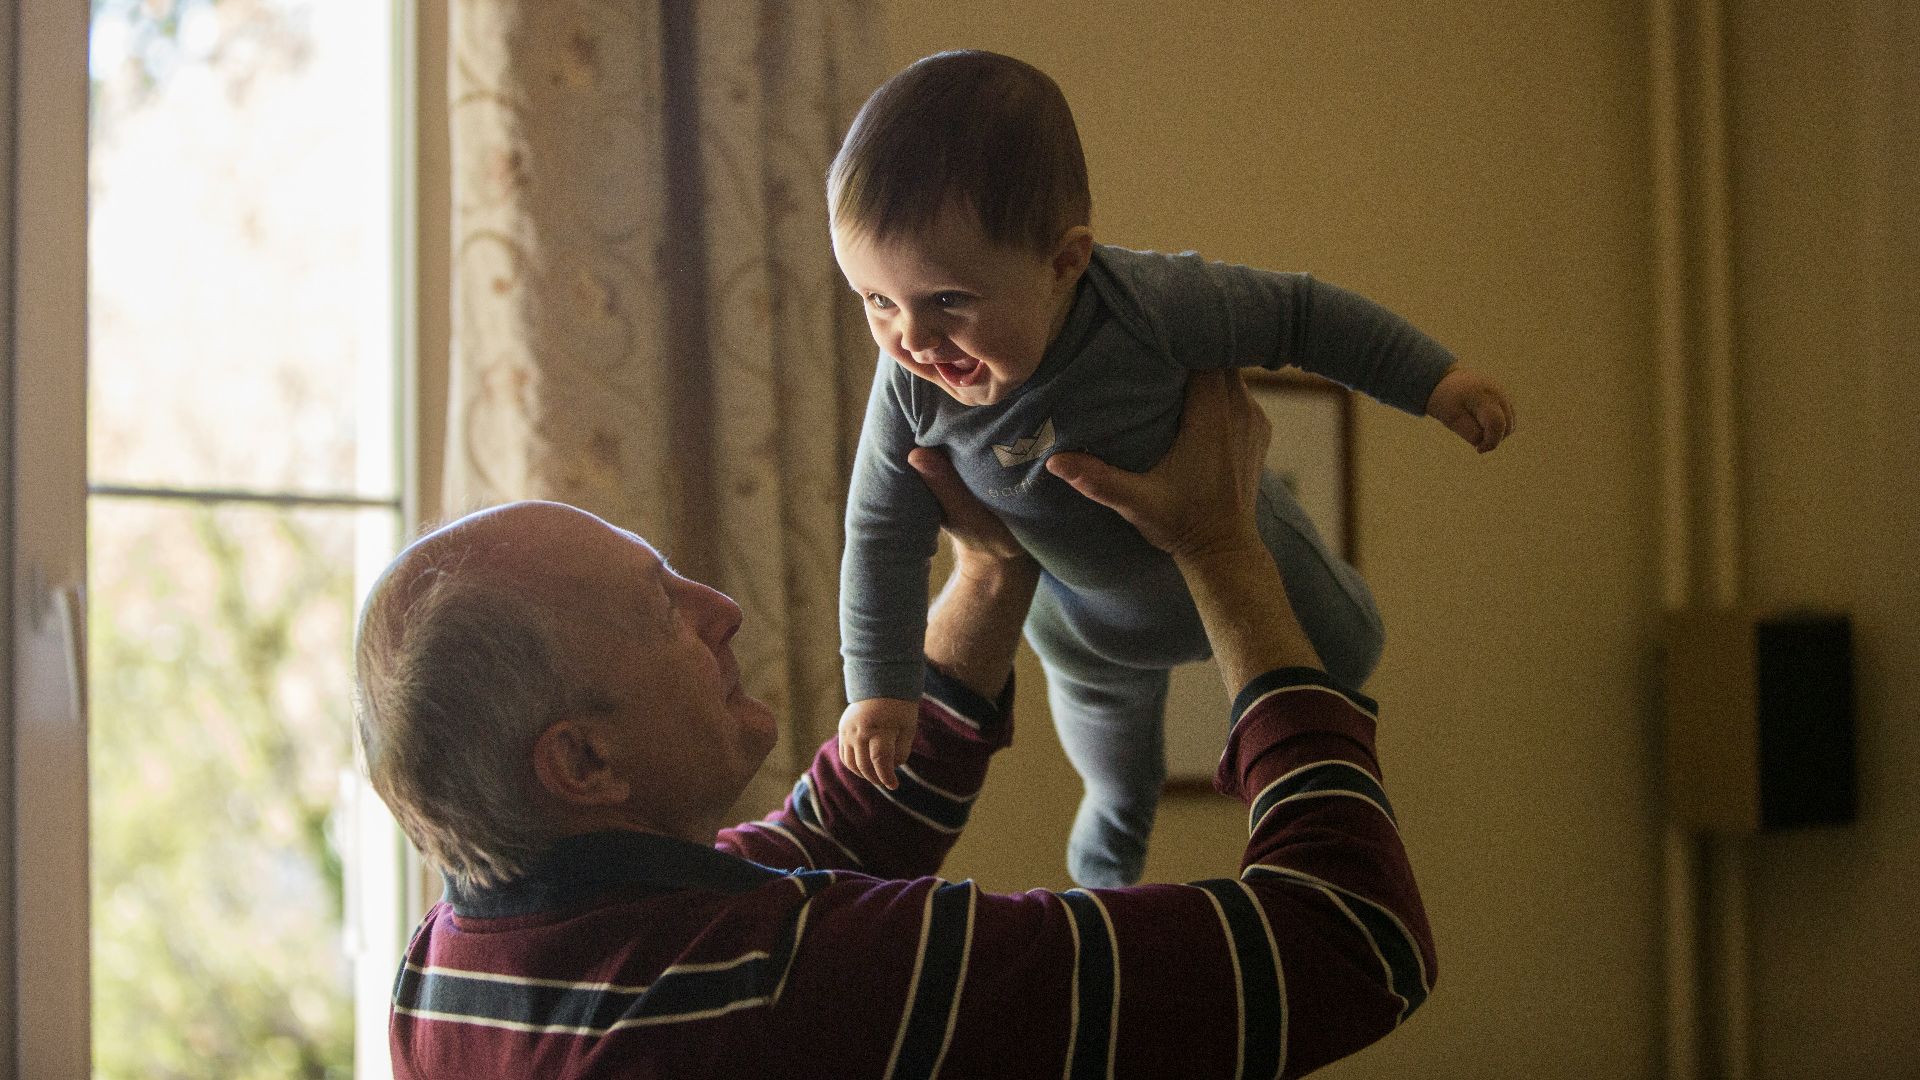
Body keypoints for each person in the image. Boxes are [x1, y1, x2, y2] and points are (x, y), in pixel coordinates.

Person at [355, 371, 1436, 1079]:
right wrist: (1222, 549)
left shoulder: (451, 971)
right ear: (583, 761)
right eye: (661, 610)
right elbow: (1349, 940)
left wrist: (992, 568)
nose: (720, 611)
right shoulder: (788, 987)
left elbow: (831, 834)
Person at [830, 49, 1516, 887]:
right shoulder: (908, 388)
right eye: (876, 301)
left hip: (1245, 546)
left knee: (1351, 652)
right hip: (1086, 628)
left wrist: (1435, 380)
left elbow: (1302, 316)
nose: (912, 339)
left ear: (1063, 264)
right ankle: (1106, 881)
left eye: (948, 301)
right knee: (1118, 778)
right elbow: (880, 536)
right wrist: (881, 689)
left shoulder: (1151, 305)